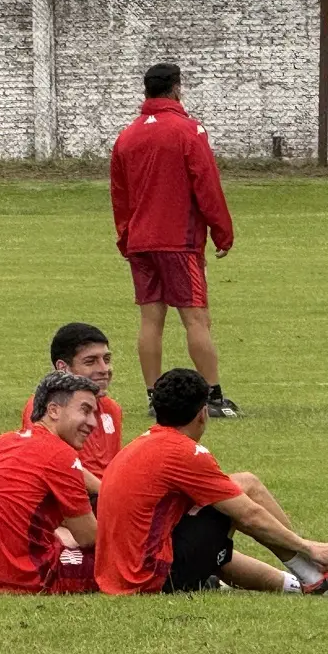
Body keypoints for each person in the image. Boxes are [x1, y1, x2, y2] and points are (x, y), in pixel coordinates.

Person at [95, 368, 328, 595]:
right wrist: (307, 546)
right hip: (152, 578)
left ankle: (300, 582)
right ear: (202, 414)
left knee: (233, 502)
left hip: (123, 574)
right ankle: (313, 575)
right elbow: (249, 515)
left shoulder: (144, 442)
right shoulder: (185, 452)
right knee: (244, 493)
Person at [110, 63, 241, 419]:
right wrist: (222, 231)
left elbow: (119, 196)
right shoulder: (189, 131)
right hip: (178, 241)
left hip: (140, 241)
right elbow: (207, 185)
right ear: (176, 89)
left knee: (150, 321)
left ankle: (155, 397)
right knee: (197, 320)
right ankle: (212, 396)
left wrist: (126, 238)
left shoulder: (127, 137)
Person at [0, 371, 101, 594]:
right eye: (85, 411)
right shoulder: (59, 454)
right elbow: (90, 538)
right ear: (54, 410)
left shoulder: (3, 441)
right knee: (130, 559)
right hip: (29, 577)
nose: (93, 422)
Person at [21, 323, 122, 479]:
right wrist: (108, 494)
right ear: (63, 368)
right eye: (90, 361)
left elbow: (114, 467)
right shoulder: (45, 406)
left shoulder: (112, 409)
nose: (104, 369)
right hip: (72, 492)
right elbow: (55, 464)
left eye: (106, 359)